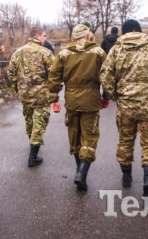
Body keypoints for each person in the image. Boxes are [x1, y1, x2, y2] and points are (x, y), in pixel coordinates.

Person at [100, 19, 148, 198]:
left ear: (124, 32)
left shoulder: (116, 49)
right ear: (140, 31)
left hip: (126, 107)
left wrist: (113, 96)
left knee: (125, 142)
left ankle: (127, 177)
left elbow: (105, 76)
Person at [49, 24, 109, 190]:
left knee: (74, 135)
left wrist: (54, 98)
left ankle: (78, 170)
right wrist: (106, 96)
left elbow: (54, 77)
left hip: (72, 101)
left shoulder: (63, 54)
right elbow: (108, 77)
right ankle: (82, 172)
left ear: (73, 37)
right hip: (91, 101)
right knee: (89, 136)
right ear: (88, 36)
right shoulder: (98, 53)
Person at [7, 26, 55, 167]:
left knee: (29, 121)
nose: (45, 38)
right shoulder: (46, 53)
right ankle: (33, 157)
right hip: (41, 95)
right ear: (37, 36)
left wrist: (18, 87)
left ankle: (32, 147)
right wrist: (53, 92)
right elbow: (54, 74)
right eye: (44, 35)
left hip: (25, 94)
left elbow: (10, 72)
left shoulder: (18, 52)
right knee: (39, 123)